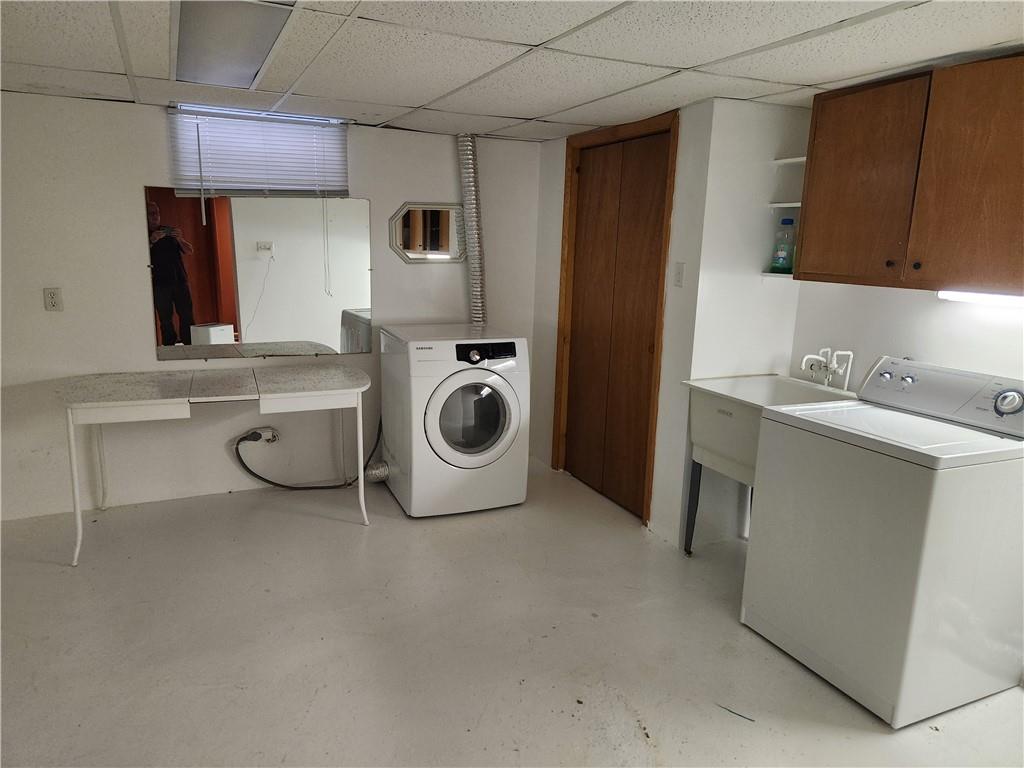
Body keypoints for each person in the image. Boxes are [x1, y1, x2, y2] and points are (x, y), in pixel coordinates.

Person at [147, 201, 195, 345]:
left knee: (187, 314)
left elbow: (189, 250)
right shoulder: (143, 234)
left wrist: (180, 238)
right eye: (152, 213)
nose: (156, 216)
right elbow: (137, 256)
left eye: (157, 213)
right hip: (159, 283)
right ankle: (169, 346)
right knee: (165, 318)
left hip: (180, 280)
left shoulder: (169, 231)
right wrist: (151, 241)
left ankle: (190, 344)